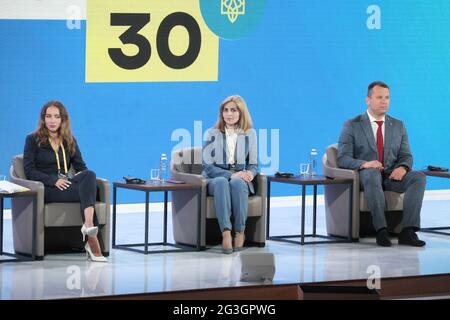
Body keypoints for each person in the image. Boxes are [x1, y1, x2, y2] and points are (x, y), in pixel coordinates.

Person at [337, 81, 426, 247]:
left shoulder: (398, 125)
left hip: (391, 176)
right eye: (379, 97)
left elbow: (406, 155)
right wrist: (365, 164)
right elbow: (343, 158)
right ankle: (381, 230)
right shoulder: (352, 125)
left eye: (387, 97)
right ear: (368, 100)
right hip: (366, 177)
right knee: (371, 174)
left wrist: (403, 167)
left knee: (418, 176)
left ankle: (408, 231)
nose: (384, 101)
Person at [23, 101, 107, 261]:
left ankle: (88, 225)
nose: (52, 121)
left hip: (67, 184)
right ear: (43, 119)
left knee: (90, 175)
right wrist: (53, 180)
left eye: (56, 116)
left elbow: (81, 167)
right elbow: (29, 170)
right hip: (48, 188)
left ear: (63, 119)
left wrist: (79, 178)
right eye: (48, 116)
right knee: (90, 192)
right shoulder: (32, 139)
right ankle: (91, 239)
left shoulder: (69, 140)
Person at [202, 95, 259, 254]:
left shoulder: (250, 134)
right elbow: (207, 166)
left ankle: (240, 232)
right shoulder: (211, 133)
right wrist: (229, 174)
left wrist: (250, 173)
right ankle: (226, 233)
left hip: (239, 178)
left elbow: (254, 164)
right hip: (215, 178)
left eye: (233, 110)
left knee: (238, 183)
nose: (229, 114)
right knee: (222, 182)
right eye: (225, 110)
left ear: (241, 113)